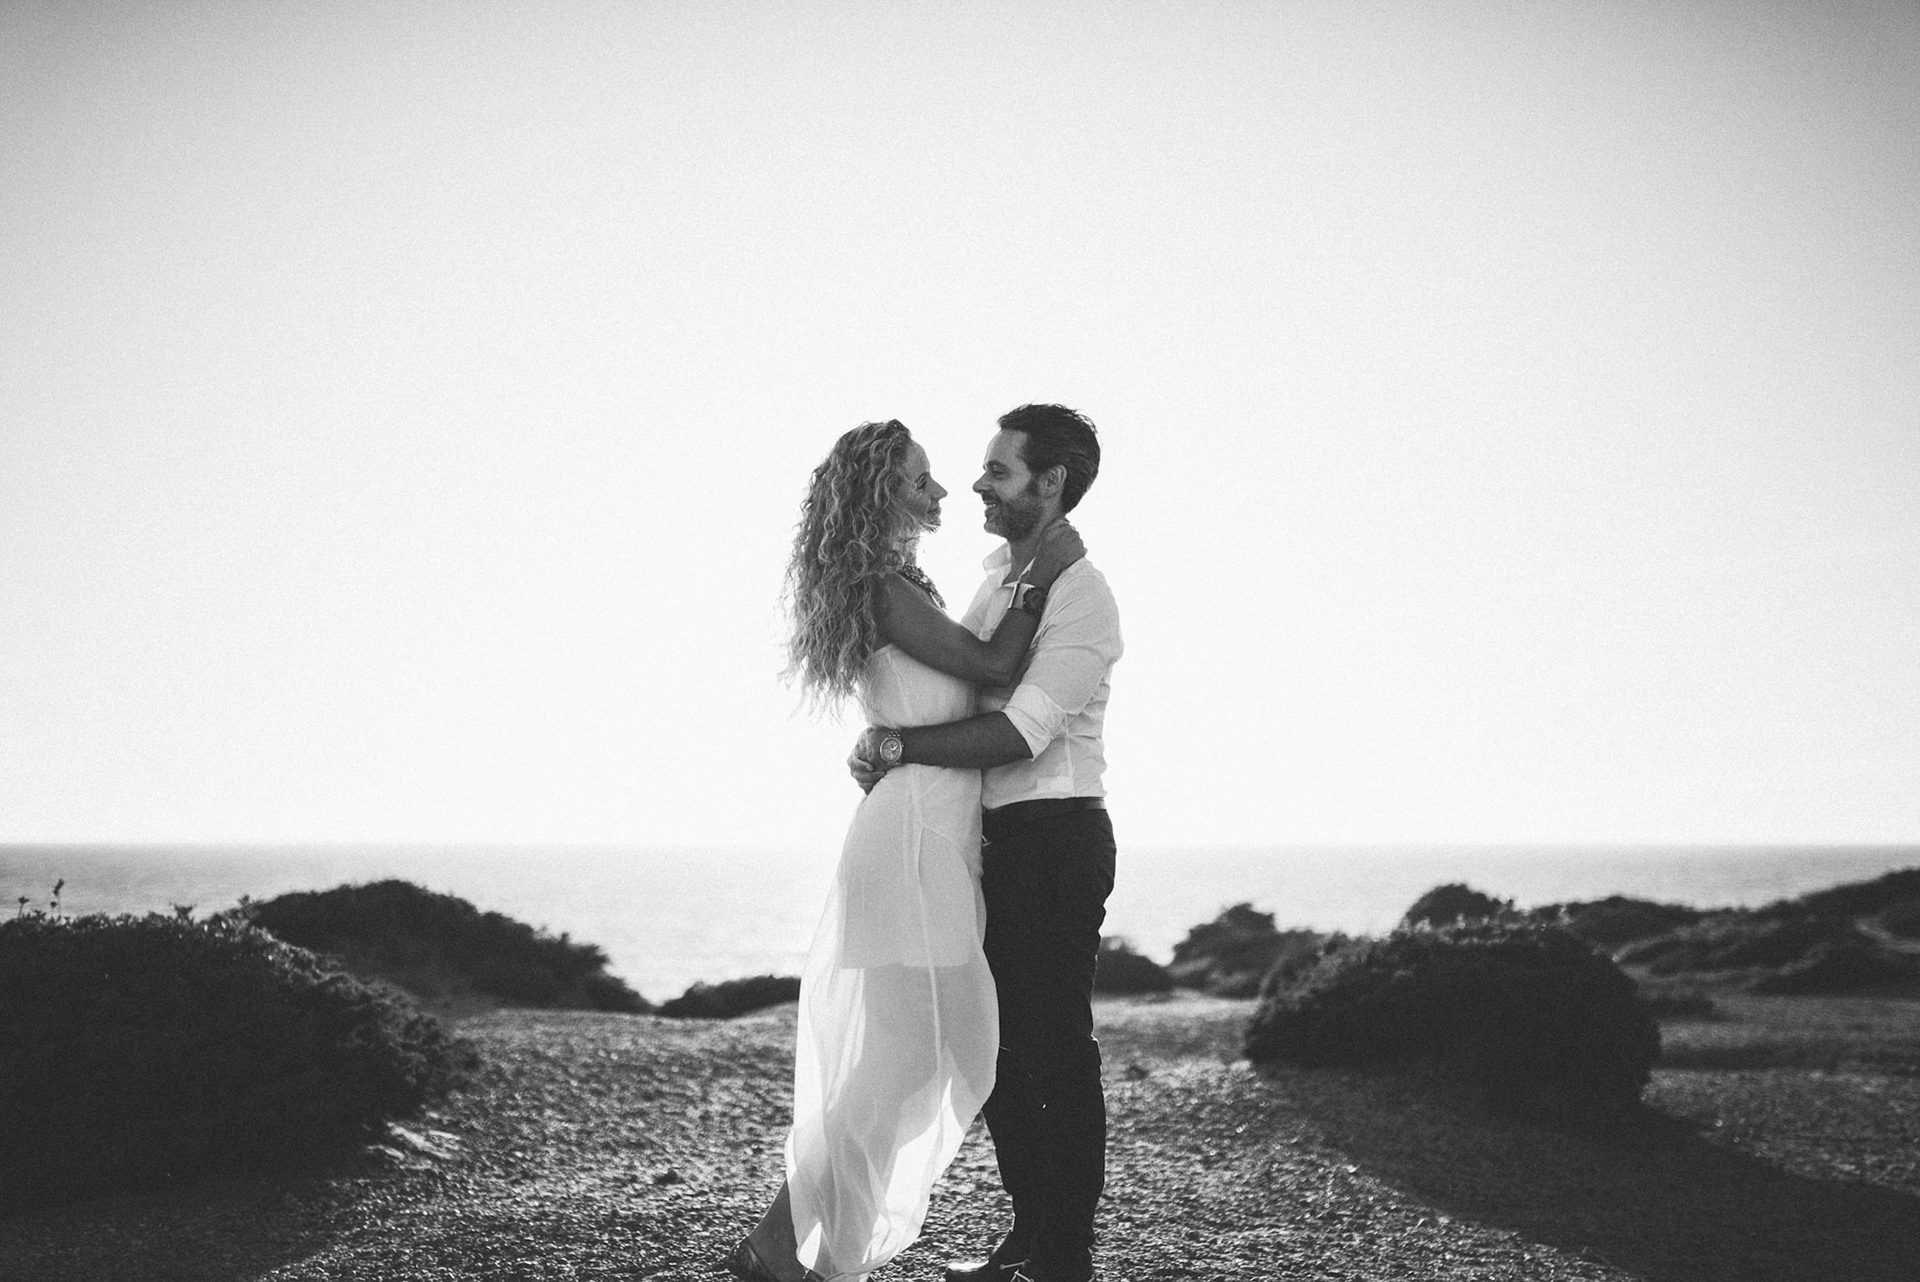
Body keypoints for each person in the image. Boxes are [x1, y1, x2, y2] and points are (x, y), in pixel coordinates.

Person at [728, 419, 1086, 1282]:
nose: (942, 491)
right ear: (881, 493)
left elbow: (932, 700)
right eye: (922, 480)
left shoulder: (902, 585)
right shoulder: (884, 589)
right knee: (916, 1055)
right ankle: (794, 1250)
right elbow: (995, 667)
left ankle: (785, 1246)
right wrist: (1041, 573)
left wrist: (886, 741)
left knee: (905, 1059)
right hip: (914, 834)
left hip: (933, 829)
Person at [851, 405, 1121, 1282]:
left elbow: (1019, 732)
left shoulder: (1082, 594)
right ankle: (1030, 1232)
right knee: (995, 1047)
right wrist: (885, 737)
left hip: (1056, 836)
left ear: (1051, 482)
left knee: (1055, 1048)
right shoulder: (998, 579)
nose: (977, 483)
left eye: (999, 471)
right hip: (986, 838)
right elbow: (957, 689)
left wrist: (900, 748)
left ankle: (1065, 1256)